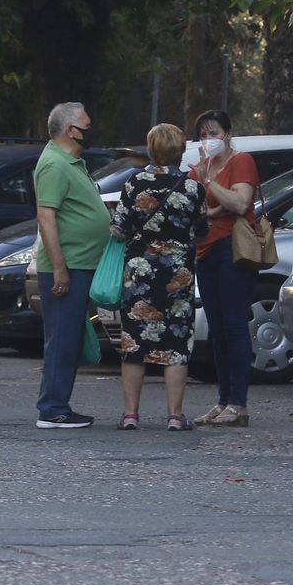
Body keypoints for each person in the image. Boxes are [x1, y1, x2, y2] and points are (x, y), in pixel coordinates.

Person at [111, 123, 206, 431]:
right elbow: (202, 230)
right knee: (176, 343)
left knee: (134, 343)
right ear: (180, 152)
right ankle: (175, 416)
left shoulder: (134, 183)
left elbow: (119, 228)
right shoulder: (193, 187)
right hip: (177, 273)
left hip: (139, 275)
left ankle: (130, 415)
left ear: (151, 150)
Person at [33, 101, 110, 429]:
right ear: (70, 130)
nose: (90, 130)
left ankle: (56, 403)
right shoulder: (53, 163)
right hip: (69, 266)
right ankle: (52, 408)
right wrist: (60, 267)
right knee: (62, 338)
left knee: (71, 336)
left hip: (83, 263)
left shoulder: (72, 162)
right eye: (86, 124)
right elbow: (45, 215)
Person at [187, 109, 259, 426]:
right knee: (216, 330)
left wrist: (210, 186)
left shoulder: (240, 161)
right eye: (203, 134)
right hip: (205, 251)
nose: (208, 139)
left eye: (213, 133)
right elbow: (194, 208)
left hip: (233, 247)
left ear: (227, 134)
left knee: (233, 324)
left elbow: (241, 204)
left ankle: (238, 404)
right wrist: (211, 204)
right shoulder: (200, 167)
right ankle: (223, 401)